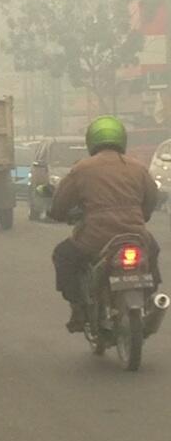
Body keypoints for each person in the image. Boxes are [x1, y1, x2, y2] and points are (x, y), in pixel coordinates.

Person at [50, 116, 160, 333]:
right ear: (122, 139)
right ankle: (149, 295)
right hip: (136, 235)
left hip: (95, 239)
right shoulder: (138, 168)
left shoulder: (82, 169)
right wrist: (142, 216)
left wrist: (58, 214)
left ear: (91, 141)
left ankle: (78, 309)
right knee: (153, 251)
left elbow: (61, 203)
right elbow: (151, 199)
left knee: (63, 255)